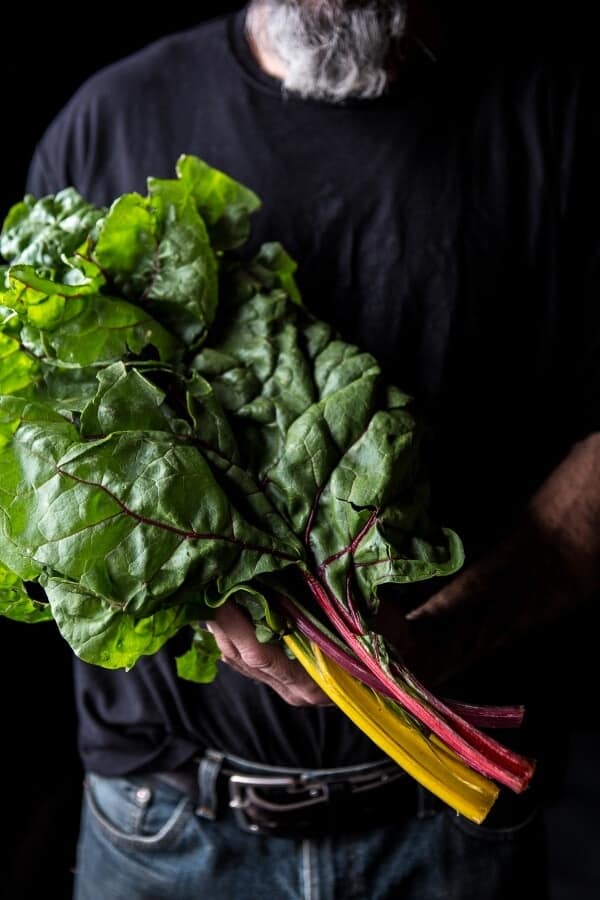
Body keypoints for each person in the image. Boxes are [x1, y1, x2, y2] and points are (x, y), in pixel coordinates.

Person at [24, 2, 600, 898]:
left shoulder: (555, 121)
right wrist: (185, 574)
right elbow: (33, 448)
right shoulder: (111, 119)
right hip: (166, 831)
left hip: (447, 838)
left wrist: (448, 634)